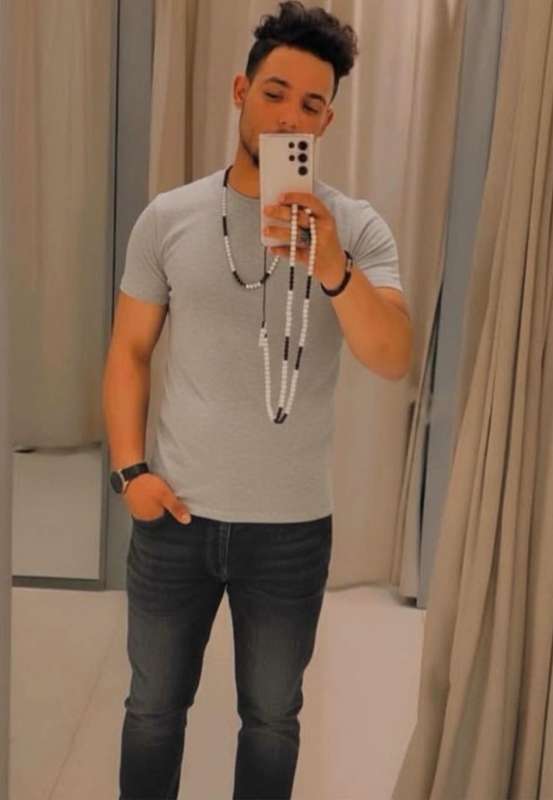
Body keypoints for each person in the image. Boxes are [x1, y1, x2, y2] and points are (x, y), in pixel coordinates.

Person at [103, 2, 410, 798]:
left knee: (272, 718)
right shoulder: (169, 217)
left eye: (309, 104)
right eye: (274, 93)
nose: (287, 117)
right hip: (174, 517)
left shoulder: (356, 228)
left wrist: (332, 265)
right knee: (152, 710)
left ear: (327, 119)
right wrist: (130, 471)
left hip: (290, 530)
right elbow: (129, 350)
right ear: (240, 91)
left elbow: (391, 356)